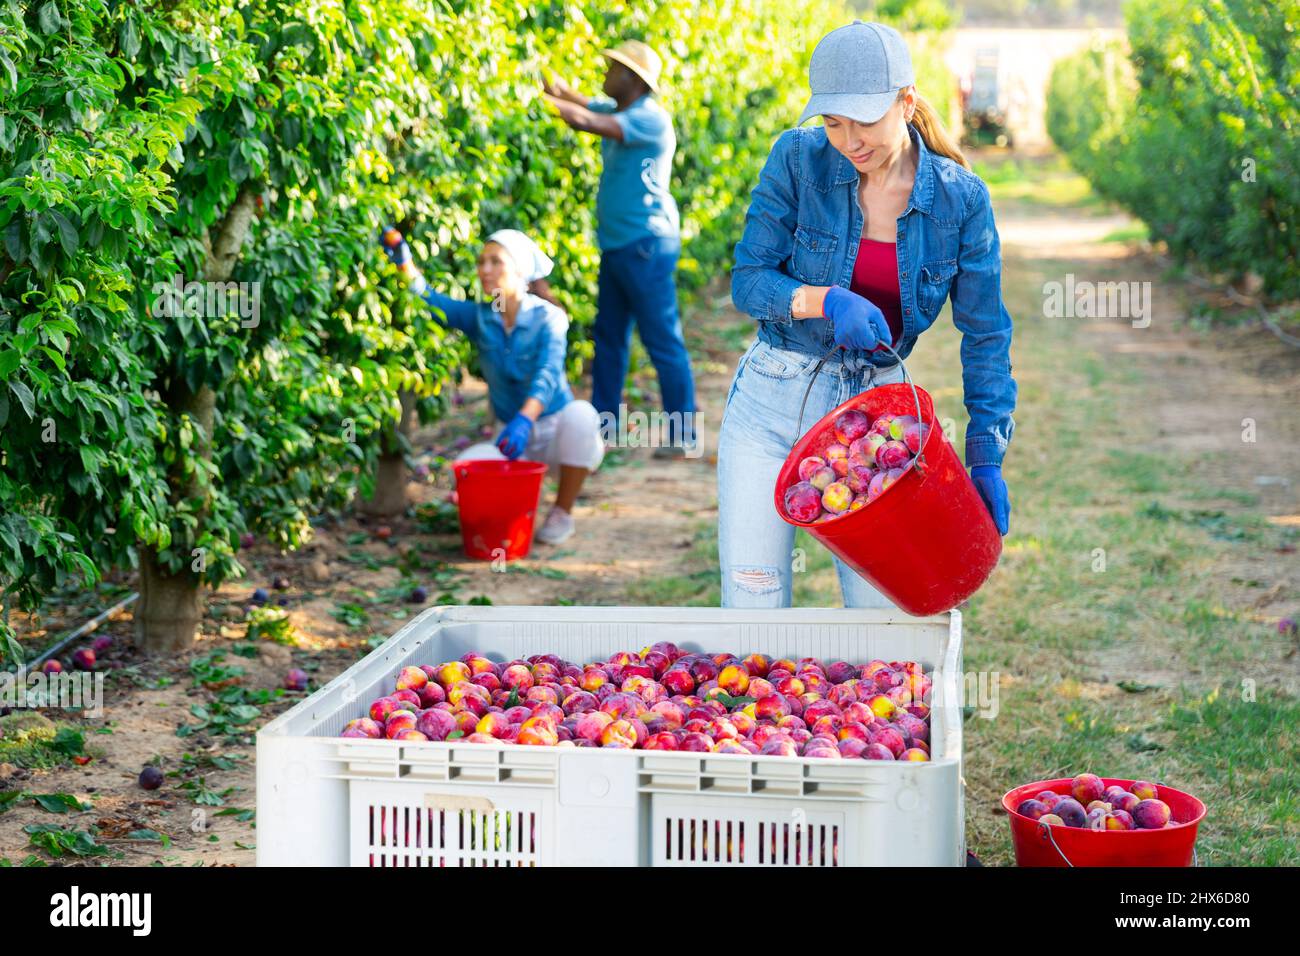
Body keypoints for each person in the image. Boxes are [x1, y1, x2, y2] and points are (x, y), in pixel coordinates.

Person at [720, 20, 1016, 608]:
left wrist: (986, 455)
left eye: (865, 120)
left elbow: (985, 337)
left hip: (874, 426)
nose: (850, 140)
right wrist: (825, 300)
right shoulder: (798, 161)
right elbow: (749, 282)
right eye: (833, 122)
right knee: (753, 606)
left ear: (906, 102)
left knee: (883, 620)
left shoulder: (960, 200)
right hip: (771, 408)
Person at [381, 227, 603, 545]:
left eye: (495, 262)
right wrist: (403, 262)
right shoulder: (482, 317)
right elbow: (431, 300)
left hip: (555, 432)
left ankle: (562, 511)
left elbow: (548, 374)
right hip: (511, 437)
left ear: (520, 271)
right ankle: (522, 509)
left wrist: (525, 419)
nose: (485, 270)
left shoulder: (549, 318)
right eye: (481, 262)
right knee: (468, 472)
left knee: (582, 416)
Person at [541, 39, 698, 457]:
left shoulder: (650, 119)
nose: (605, 75)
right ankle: (602, 432)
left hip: (645, 245)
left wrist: (539, 99)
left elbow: (584, 120)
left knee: (662, 339)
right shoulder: (622, 109)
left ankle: (684, 435)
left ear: (631, 78)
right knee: (609, 339)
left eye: (612, 69)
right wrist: (545, 80)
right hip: (619, 245)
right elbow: (577, 101)